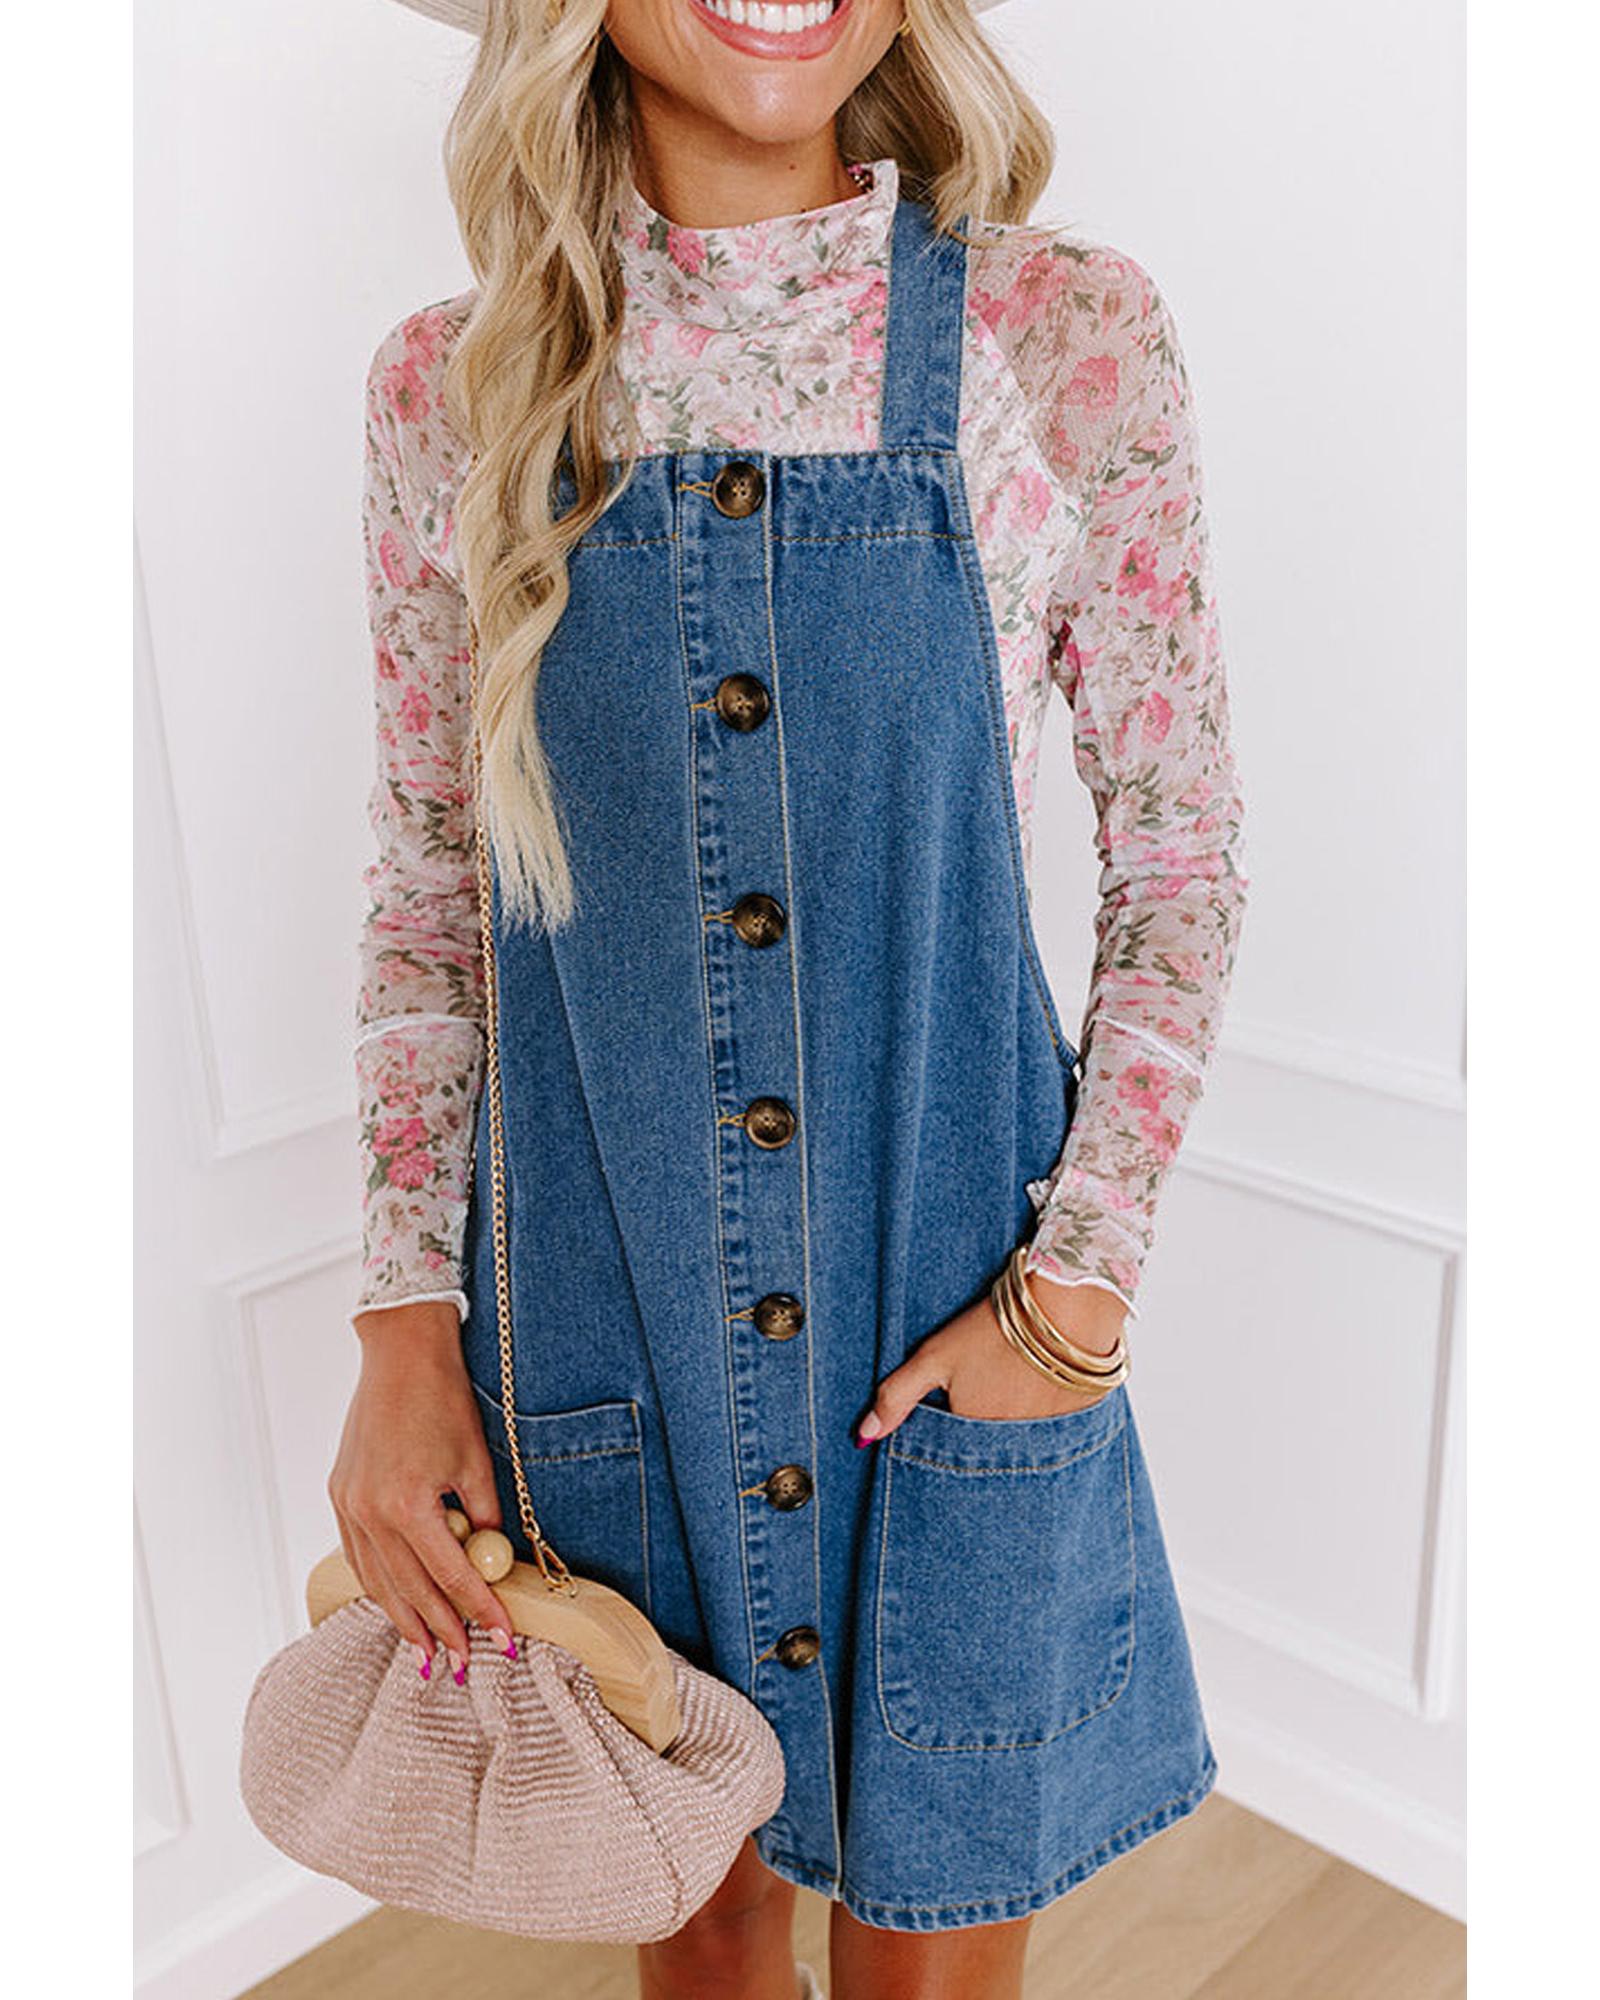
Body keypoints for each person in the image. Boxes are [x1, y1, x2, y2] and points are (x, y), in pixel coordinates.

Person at [327, 3, 1249, 1995]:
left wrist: (1073, 1298)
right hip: (601, 1338)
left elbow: (1182, 863)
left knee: (932, 1955)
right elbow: (429, 900)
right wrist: (403, 1329)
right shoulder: (452, 390)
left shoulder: (1059, 341)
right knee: (701, 1929)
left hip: (951, 1334)